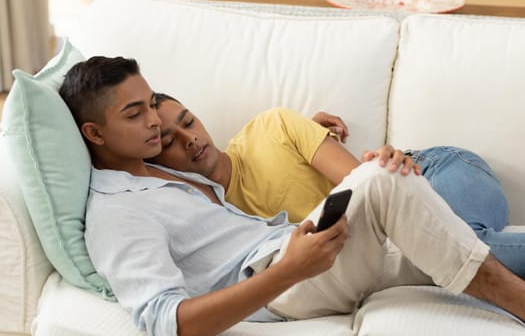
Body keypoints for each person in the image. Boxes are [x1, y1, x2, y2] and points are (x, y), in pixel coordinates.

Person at [60, 56, 525, 336]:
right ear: (94, 132)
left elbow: (230, 158)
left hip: (313, 246)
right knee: (382, 179)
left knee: (468, 246)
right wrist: (287, 271)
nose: (156, 125)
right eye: (135, 114)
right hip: (287, 275)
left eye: (154, 111)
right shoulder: (117, 212)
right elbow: (168, 322)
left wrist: (310, 131)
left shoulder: (165, 173)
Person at [149, 94, 524, 279]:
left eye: (189, 122)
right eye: (168, 141)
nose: (190, 139)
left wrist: (307, 133)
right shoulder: (212, 216)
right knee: (447, 257)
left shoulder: (271, 128)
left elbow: (366, 188)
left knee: (452, 248)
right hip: (397, 238)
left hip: (434, 170)